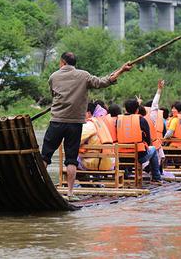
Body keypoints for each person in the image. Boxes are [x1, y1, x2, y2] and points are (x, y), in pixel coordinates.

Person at [41, 52, 132, 201]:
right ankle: (70, 194)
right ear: (74, 63)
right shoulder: (84, 76)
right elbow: (104, 82)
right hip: (75, 123)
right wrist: (121, 69)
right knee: (71, 159)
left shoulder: (53, 76)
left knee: (45, 156)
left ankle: (41, 188)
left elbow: (54, 95)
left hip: (57, 121)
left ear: (62, 62)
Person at [117, 99, 163, 184]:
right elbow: (148, 140)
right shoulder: (141, 120)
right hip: (139, 156)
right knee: (153, 149)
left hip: (121, 156)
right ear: (137, 110)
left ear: (125, 109)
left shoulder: (118, 120)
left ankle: (126, 174)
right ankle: (156, 177)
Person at [143, 80, 166, 175]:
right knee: (157, 150)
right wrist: (159, 90)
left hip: (136, 149)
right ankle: (156, 175)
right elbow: (155, 105)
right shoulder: (152, 118)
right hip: (150, 147)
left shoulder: (134, 119)